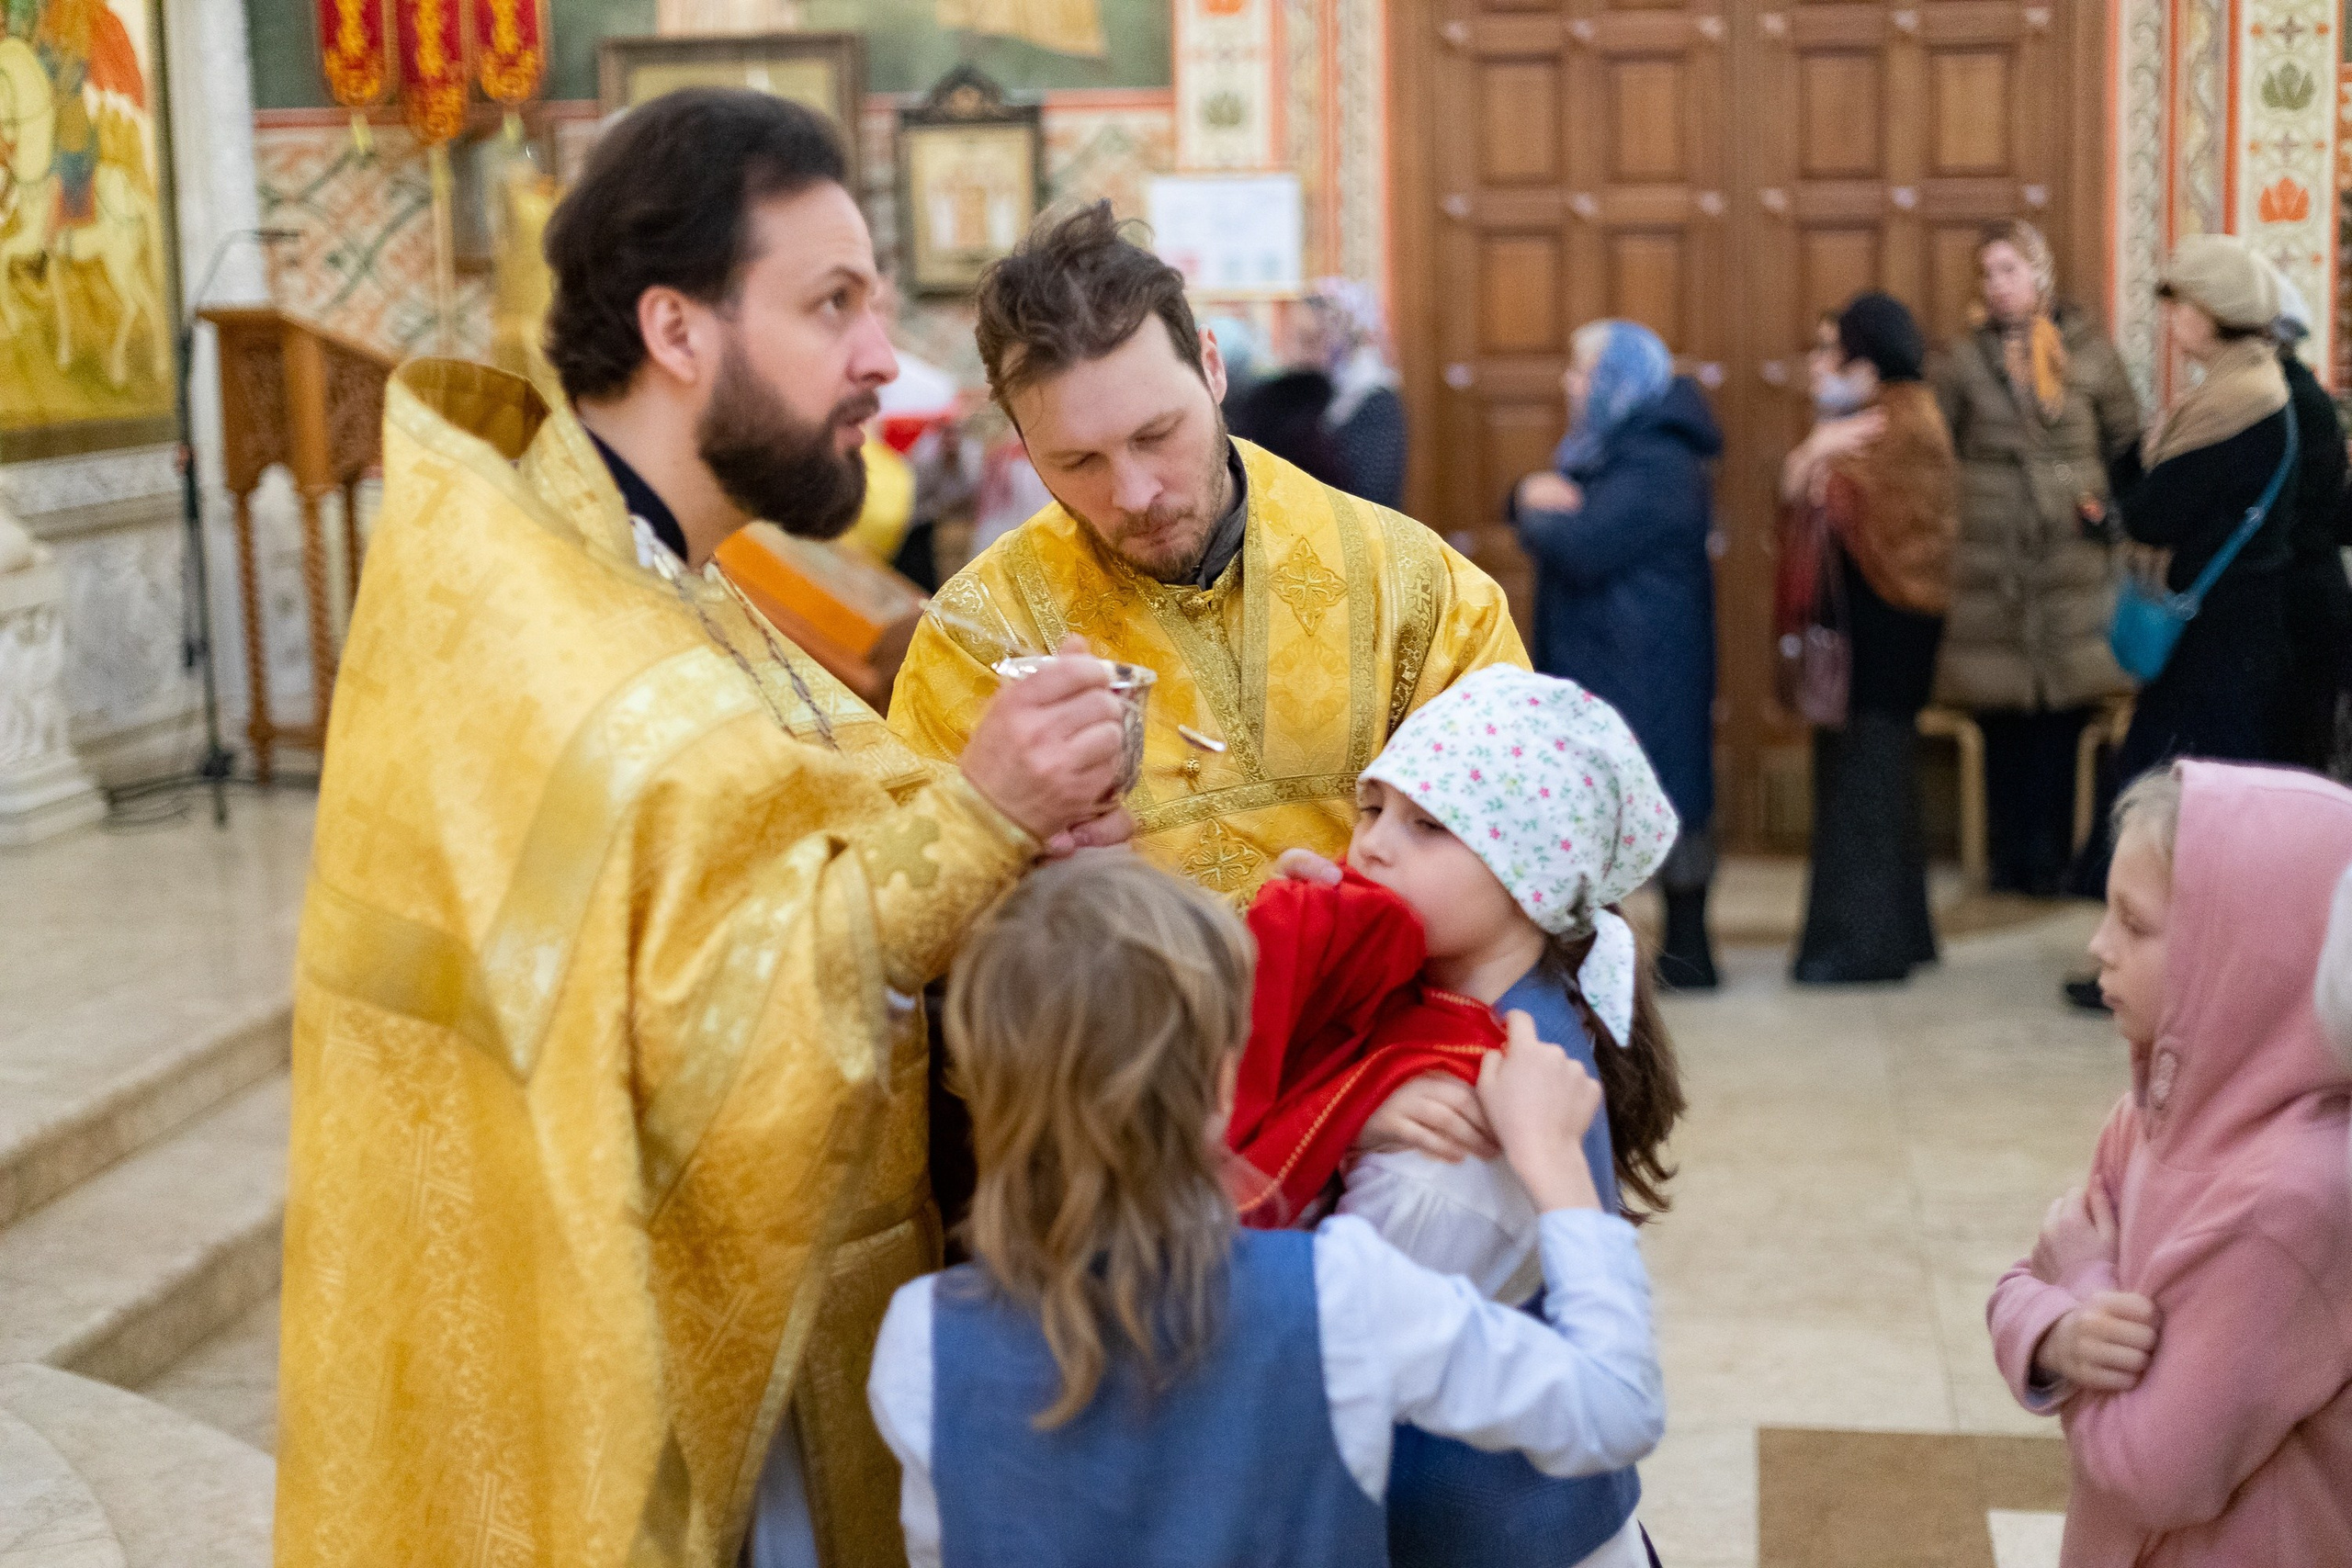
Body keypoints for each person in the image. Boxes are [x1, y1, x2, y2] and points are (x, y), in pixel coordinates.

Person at [273, 91, 1137, 1568]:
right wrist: (984, 815)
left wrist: (993, 815)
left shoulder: (653, 572)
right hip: (618, 1381)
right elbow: (697, 1035)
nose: (884, 356)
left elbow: (770, 832)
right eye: (834, 303)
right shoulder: (542, 627)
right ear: (680, 331)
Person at [865, 855, 1666, 1568]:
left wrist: (1348, 1111)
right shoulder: (1337, 1295)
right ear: (1223, 1082)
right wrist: (1560, 1171)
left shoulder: (919, 1338)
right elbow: (1614, 1409)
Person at [889, 203, 1527, 904]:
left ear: (1213, 368)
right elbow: (918, 919)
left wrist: (1372, 919)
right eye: (1077, 461)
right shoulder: (976, 638)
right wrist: (1025, 869)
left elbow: (1523, 852)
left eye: (1156, 433)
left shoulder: (1418, 592)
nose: (1133, 493)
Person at [1231, 669, 1682, 1568]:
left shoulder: (1451, 1148)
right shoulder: (1482, 990)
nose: (1373, 849)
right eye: (1372, 810)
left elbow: (1287, 1334)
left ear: (1531, 871)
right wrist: (1320, 967)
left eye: (1428, 826)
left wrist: (1333, 1098)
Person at [1986, 762, 2352, 1566]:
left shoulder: (2297, 1200)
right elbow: (2027, 1277)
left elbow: (2153, 1472)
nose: (2097, 946)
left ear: (2248, 956)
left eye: (2134, 923)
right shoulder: (2147, 1120)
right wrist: (2056, 1333)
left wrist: (2082, 1286)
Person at [2064, 235, 2301, 989]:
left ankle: (2167, 971)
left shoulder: (2234, 403)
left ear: (2216, 312)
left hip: (2216, 642)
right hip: (2238, 632)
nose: (2172, 321)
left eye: (2182, 306)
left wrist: (2118, 511)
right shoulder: (2254, 386)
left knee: (2174, 804)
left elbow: (2159, 513)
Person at [1931, 220, 2143, 897]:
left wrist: (2115, 516)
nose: (1998, 286)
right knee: (2001, 713)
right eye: (1988, 273)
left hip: (2072, 567)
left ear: (2041, 275)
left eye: (2010, 270)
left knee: (2063, 711)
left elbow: (2127, 446)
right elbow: (1939, 452)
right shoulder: (1964, 361)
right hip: (1992, 566)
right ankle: (2009, 854)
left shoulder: (2090, 352)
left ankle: (2055, 854)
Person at [1511, 320, 1723, 987]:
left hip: (1644, 657)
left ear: (1617, 383)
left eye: (1582, 372)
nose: (1569, 385)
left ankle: (1687, 958)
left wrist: (1530, 508)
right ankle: (1609, 957)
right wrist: (1532, 501)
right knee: (1615, 800)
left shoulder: (1658, 456)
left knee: (1657, 799)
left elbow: (1588, 542)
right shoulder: (1618, 444)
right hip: (1616, 651)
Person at [1788, 292, 1960, 984]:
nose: (1822, 364)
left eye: (1835, 350)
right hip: (1885, 633)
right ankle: (1902, 931)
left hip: (1884, 633)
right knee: (1878, 782)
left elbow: (1822, 498)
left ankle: (1862, 946)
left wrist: (1812, 454)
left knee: (1866, 788)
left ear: (1868, 356)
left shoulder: (1894, 420)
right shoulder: (1889, 413)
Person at [2262, 271, 2351, 773]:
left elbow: (2315, 517)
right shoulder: (2301, 398)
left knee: (2295, 756)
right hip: (2310, 597)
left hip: (2296, 604)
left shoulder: (2285, 402)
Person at [1309, 276, 1409, 510]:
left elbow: (1373, 493)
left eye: (1330, 325)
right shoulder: (1329, 384)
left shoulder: (1374, 396)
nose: (1324, 337)